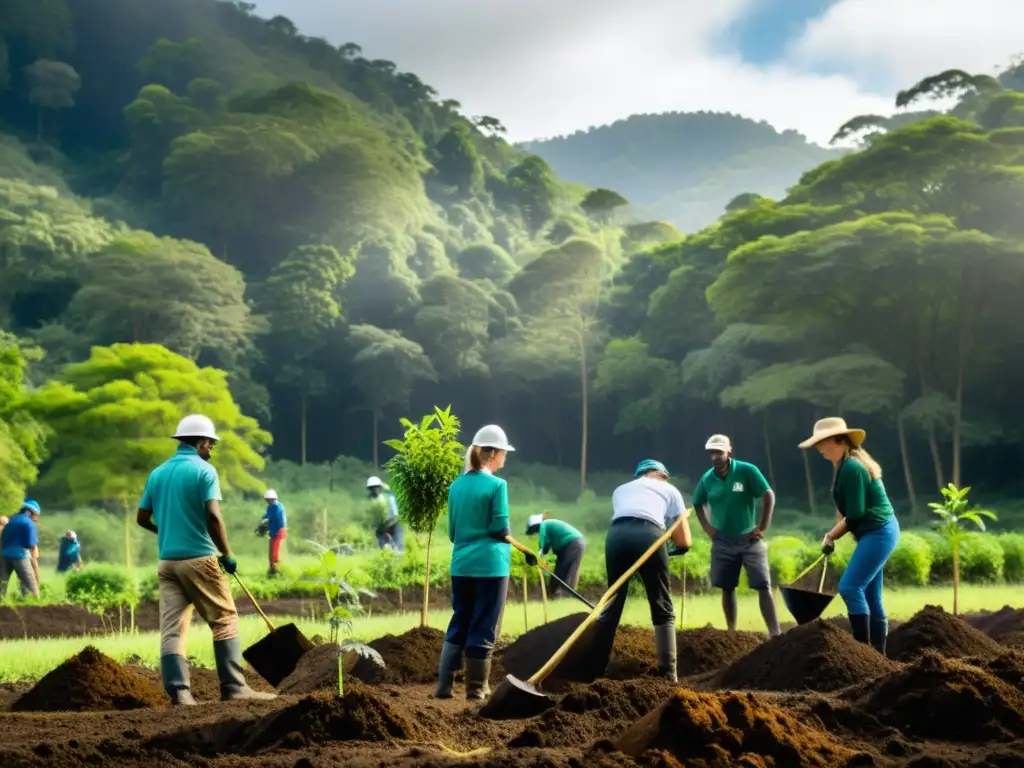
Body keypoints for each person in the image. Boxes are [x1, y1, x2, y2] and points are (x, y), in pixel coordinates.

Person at [137, 413, 275, 706]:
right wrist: (227, 553)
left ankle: (180, 693)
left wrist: (166, 532)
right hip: (199, 558)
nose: (211, 450)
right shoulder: (203, 471)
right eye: (210, 444)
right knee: (224, 619)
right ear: (200, 442)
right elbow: (213, 516)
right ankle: (234, 688)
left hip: (167, 563)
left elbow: (142, 518)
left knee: (172, 628)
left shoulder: (157, 473)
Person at [435, 424, 532, 700]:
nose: (505, 459)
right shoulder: (498, 485)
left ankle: (444, 686)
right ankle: (476, 689)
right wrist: (512, 539)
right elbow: (500, 528)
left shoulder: (456, 485)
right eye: (504, 453)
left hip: (462, 564)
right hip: (491, 566)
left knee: (460, 620)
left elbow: (453, 533)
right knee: (484, 624)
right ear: (492, 453)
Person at [800, 417, 900, 655]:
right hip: (875, 534)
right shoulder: (844, 466)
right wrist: (836, 531)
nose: (820, 449)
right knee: (870, 595)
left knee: (850, 587)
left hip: (879, 532)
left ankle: (863, 654)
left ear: (840, 441)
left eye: (823, 443)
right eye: (817, 444)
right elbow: (845, 507)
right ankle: (878, 657)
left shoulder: (853, 468)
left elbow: (855, 514)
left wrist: (831, 536)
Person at [590, 460, 692, 682]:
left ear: (639, 475)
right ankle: (669, 675)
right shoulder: (670, 489)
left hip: (615, 536)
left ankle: (595, 670)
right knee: (661, 603)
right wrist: (674, 551)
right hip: (649, 535)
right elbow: (685, 540)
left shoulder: (621, 490)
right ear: (660, 474)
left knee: (612, 602)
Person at [692, 434, 780, 637]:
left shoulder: (746, 470)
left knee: (763, 584)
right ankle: (731, 632)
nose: (715, 456)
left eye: (719, 452)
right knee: (727, 586)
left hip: (750, 539)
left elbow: (768, 494)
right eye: (711, 453)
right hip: (723, 540)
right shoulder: (707, 479)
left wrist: (763, 526)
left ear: (729, 451)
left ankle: (775, 633)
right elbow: (697, 502)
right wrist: (708, 528)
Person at [525, 512, 586, 597]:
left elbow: (542, 543)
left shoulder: (544, 524)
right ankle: (555, 594)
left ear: (536, 525)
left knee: (565, 570)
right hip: (575, 544)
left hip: (573, 543)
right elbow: (547, 546)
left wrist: (538, 557)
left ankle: (563, 595)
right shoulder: (550, 528)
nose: (535, 532)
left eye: (534, 530)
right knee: (563, 570)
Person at [0, 500, 41, 599]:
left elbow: (3, 539)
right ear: (30, 512)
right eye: (36, 515)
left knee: (2, 585)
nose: (36, 518)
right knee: (29, 584)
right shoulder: (28, 523)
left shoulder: (12, 521)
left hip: (4, 556)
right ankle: (33, 605)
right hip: (20, 556)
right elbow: (30, 544)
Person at [368, 476, 404, 553]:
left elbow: (395, 517)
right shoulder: (371, 501)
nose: (375, 490)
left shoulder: (388, 497)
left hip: (394, 524)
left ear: (380, 488)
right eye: (372, 488)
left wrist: (384, 527)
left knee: (399, 548)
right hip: (382, 527)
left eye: (376, 487)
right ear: (370, 489)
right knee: (384, 549)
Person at [260, 489, 287, 576]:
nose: (266, 501)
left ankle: (276, 571)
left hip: (278, 532)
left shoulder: (274, 506)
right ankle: (272, 569)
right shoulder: (278, 505)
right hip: (277, 531)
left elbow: (268, 516)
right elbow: (270, 517)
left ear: (270, 499)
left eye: (267, 499)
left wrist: (263, 522)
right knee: (273, 551)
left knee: (274, 553)